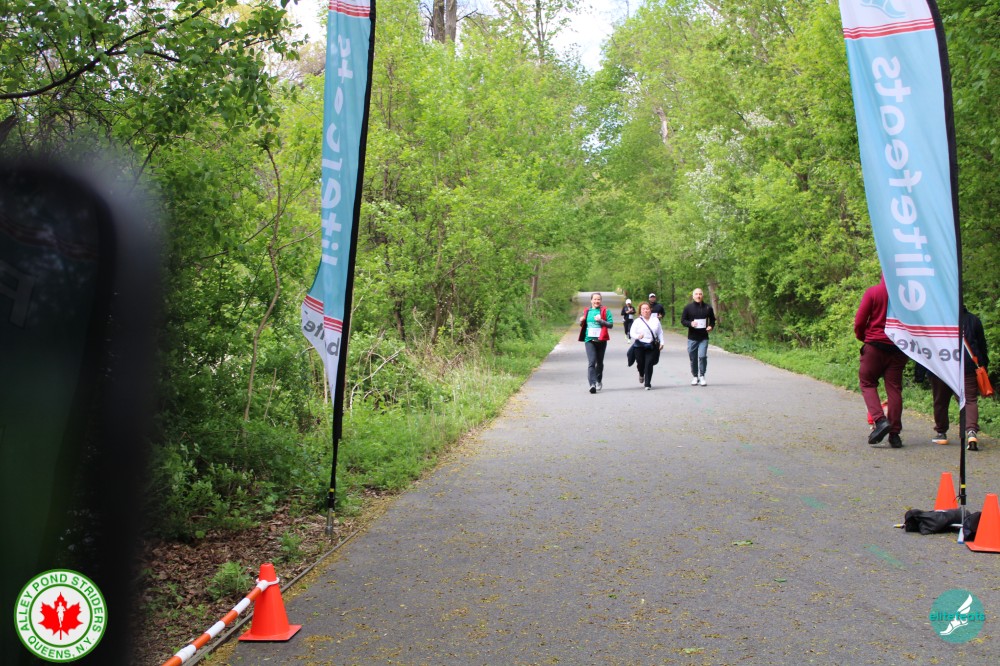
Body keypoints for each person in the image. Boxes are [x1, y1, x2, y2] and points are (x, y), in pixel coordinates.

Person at [854, 275, 907, 448]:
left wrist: (864, 338)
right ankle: (895, 434)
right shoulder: (906, 295)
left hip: (875, 346)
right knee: (894, 389)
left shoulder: (873, 292)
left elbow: (860, 321)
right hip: (898, 348)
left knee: (867, 383)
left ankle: (880, 420)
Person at [929, 306, 989, 450]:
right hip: (966, 366)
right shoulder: (973, 320)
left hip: (941, 366)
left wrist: (922, 370)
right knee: (969, 400)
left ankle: (941, 433)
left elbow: (928, 344)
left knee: (941, 400)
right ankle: (971, 432)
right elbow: (981, 345)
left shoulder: (937, 320)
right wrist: (983, 364)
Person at [681, 287, 716, 386]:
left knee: (702, 356)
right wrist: (690, 323)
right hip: (692, 337)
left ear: (702, 296)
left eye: (700, 294)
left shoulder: (708, 308)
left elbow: (713, 320)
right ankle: (695, 376)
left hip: (703, 337)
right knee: (693, 357)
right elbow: (683, 321)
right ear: (693, 296)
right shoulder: (688, 308)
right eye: (696, 294)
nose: (698, 296)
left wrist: (711, 326)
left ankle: (702, 376)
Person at [579, 292, 613, 393]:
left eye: (598, 299)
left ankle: (598, 380)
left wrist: (601, 321)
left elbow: (610, 325)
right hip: (589, 340)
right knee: (591, 362)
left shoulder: (605, 311)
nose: (596, 301)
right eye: (594, 299)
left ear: (601, 300)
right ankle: (592, 384)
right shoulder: (587, 311)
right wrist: (581, 321)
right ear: (591, 300)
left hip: (601, 340)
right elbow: (583, 324)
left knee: (600, 362)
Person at [631, 302, 664, 390]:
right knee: (640, 363)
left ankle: (647, 383)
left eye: (647, 309)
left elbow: (660, 332)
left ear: (650, 310)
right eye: (643, 309)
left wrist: (662, 342)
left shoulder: (655, 320)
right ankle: (641, 373)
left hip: (651, 345)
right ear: (640, 311)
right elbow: (632, 333)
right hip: (640, 345)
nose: (645, 310)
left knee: (649, 363)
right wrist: (638, 336)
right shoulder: (637, 321)